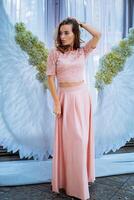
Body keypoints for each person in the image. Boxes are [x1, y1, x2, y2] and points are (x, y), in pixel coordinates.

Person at [46, 17, 101, 200]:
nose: (62, 36)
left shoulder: (82, 52)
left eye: (67, 32)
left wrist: (82, 24)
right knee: (71, 141)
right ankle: (70, 183)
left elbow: (98, 35)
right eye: (61, 33)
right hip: (64, 98)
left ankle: (79, 181)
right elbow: (50, 78)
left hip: (82, 97)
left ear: (75, 34)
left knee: (81, 139)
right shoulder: (54, 53)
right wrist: (56, 102)